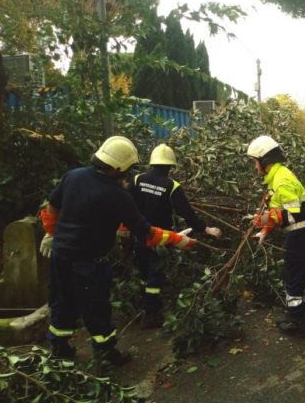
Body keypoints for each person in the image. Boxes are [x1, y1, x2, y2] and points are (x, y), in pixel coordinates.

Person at [39, 136, 195, 366]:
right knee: (96, 306)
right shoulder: (116, 194)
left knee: (62, 300)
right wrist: (177, 240)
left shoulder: (74, 176)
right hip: (89, 262)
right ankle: (106, 352)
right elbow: (147, 234)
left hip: (61, 255)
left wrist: (52, 232)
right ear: (120, 167)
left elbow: (52, 205)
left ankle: (59, 347)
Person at [128, 144, 221, 329]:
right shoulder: (172, 186)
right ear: (171, 166)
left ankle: (142, 304)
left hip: (137, 235)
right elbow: (188, 214)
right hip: (160, 239)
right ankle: (151, 313)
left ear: (152, 162)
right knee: (155, 274)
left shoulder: (137, 179)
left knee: (143, 271)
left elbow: (124, 204)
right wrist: (206, 229)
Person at [246, 135, 305, 338]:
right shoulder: (276, 177)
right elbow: (279, 210)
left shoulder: (282, 180)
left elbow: (291, 214)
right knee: (293, 273)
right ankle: (299, 311)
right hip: (299, 232)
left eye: (255, 162)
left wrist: (265, 218)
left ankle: (297, 321)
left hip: (301, 233)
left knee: (293, 274)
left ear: (264, 160)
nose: (254, 167)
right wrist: (265, 230)